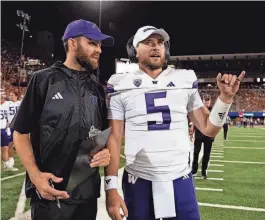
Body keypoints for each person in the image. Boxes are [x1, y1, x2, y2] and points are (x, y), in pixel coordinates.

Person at [104, 25, 245, 220]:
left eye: (160, 43)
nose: (156, 47)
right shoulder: (120, 84)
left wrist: (225, 100)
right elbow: (114, 137)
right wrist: (111, 188)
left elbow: (209, 129)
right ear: (135, 50)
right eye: (148, 43)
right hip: (139, 179)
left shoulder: (183, 79)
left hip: (180, 178)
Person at [10, 19, 114, 220]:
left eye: (100, 45)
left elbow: (99, 137)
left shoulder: (97, 89)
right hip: (49, 194)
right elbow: (20, 132)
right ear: (73, 44)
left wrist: (105, 154)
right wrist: (35, 176)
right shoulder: (43, 80)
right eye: (92, 43)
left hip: (87, 195)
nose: (99, 50)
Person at [191, 94, 214, 179]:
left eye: (208, 102)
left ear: (210, 102)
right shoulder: (198, 109)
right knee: (196, 153)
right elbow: (194, 120)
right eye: (205, 102)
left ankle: (204, 171)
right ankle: (194, 170)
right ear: (202, 101)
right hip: (199, 133)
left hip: (209, 135)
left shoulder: (213, 110)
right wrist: (192, 130)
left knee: (207, 154)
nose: (207, 104)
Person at [1, 94, 18, 171]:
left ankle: (8, 164)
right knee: (7, 146)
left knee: (6, 147)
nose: (11, 96)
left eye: (12, 95)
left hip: (6, 129)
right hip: (6, 128)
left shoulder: (6, 105)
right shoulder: (6, 105)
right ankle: (8, 163)